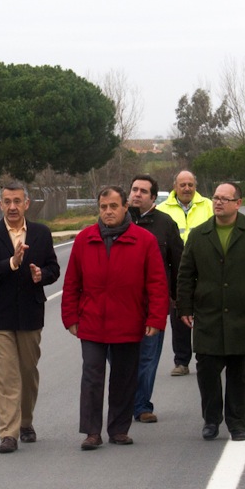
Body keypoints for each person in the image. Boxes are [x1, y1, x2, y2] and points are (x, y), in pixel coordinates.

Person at [61, 186, 169, 450]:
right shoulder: (85, 239)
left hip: (128, 320)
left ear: (124, 208)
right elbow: (72, 282)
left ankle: (119, 429)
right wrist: (70, 318)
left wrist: (155, 319)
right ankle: (92, 432)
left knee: (124, 376)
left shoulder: (144, 240)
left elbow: (156, 283)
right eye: (103, 207)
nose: (107, 211)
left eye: (113, 206)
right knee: (92, 375)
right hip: (92, 321)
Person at [176, 182, 245, 442]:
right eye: (215, 198)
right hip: (208, 316)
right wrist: (186, 307)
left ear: (238, 203)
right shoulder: (199, 235)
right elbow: (185, 274)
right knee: (207, 372)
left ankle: (238, 424)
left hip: (243, 315)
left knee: (239, 373)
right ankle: (211, 420)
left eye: (225, 198)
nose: (218, 202)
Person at [0, 182, 60, 453]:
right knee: (6, 375)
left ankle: (26, 422)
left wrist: (41, 275)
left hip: (30, 313)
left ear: (27, 204)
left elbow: (53, 268)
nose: (12, 207)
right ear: (0, 205)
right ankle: (8, 433)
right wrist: (13, 263)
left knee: (27, 371)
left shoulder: (41, 233)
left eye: (17, 201)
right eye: (7, 201)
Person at [127, 174, 183, 424]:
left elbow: (178, 263)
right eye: (134, 189)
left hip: (154, 303)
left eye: (143, 191)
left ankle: (141, 406)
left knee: (148, 356)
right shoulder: (118, 219)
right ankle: (125, 401)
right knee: (123, 357)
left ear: (153, 197)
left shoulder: (165, 224)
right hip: (122, 303)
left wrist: (175, 296)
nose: (137, 194)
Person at [158, 170, 213, 377]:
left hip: (206, 270)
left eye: (190, 184)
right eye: (183, 185)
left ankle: (205, 358)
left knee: (206, 317)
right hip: (177, 273)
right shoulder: (162, 210)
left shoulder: (208, 206)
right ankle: (181, 361)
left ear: (195, 186)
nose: (187, 188)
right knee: (179, 316)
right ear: (175, 187)